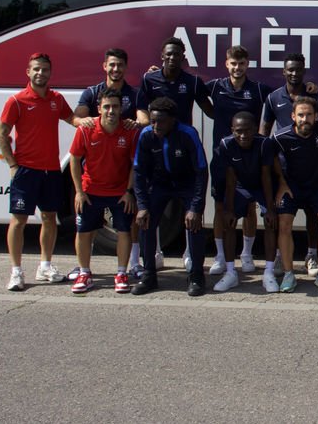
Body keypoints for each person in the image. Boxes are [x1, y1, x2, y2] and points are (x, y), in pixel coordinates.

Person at [0, 52, 79, 291]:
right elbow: (1, 134)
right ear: (28, 72)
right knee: (19, 220)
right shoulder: (16, 101)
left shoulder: (56, 98)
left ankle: (45, 266)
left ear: (50, 73)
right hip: (25, 172)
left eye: (44, 70)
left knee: (49, 218)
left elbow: (72, 118)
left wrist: (94, 121)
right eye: (36, 69)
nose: (40, 73)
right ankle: (16, 272)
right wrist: (13, 165)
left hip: (51, 170)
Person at [135, 37, 214, 272]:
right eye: (168, 54)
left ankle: (191, 260)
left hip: (183, 151)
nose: (172, 58)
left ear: (183, 57)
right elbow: (141, 108)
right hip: (158, 155)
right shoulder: (149, 79)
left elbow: (209, 108)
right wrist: (149, 127)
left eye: (177, 54)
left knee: (192, 214)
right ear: (162, 55)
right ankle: (153, 260)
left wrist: (231, 119)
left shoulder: (191, 81)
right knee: (150, 213)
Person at [205, 45, 273, 278]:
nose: (237, 67)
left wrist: (310, 88)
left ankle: (246, 254)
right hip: (222, 158)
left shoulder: (257, 89)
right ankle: (221, 256)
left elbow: (281, 99)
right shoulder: (215, 86)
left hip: (250, 158)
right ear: (226, 64)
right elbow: (192, 95)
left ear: (248, 64)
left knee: (250, 206)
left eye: (241, 63)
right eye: (233, 63)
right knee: (221, 206)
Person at [130, 97, 209, 296]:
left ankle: (197, 276)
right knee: (145, 222)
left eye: (161, 121)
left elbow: (201, 171)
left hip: (186, 184)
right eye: (153, 121)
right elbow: (138, 172)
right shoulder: (146, 135)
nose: (156, 126)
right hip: (160, 184)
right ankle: (149, 275)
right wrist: (142, 205)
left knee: (194, 224)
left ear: (173, 120)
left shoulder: (188, 134)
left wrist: (195, 207)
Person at [72, 47, 139, 281]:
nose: (116, 69)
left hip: (119, 186)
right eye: (112, 64)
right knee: (85, 228)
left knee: (125, 229)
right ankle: (83, 270)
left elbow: (143, 119)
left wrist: (135, 124)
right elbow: (75, 117)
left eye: (120, 65)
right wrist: (85, 122)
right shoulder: (92, 93)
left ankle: (123, 271)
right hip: (92, 184)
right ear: (105, 66)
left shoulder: (133, 95)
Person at [259, 52, 318, 277]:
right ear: (284, 72)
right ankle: (280, 255)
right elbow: (265, 131)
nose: (294, 73)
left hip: (310, 167)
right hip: (283, 170)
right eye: (290, 70)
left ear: (304, 70)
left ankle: (311, 254)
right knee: (282, 216)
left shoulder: (315, 96)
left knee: (312, 215)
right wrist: (265, 165)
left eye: (298, 69)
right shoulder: (273, 97)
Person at [270, 96, 318, 292]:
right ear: (293, 116)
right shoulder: (280, 137)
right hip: (291, 186)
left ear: (316, 116)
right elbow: (271, 157)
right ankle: (289, 273)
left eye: (309, 115)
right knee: (284, 226)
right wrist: (281, 183)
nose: (304, 119)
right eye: (300, 115)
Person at [212, 112, 278, 293]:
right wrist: (229, 209)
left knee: (271, 222)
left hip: (260, 185)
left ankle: (269, 272)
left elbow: (266, 177)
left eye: (247, 131)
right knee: (229, 221)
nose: (243, 135)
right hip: (240, 186)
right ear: (232, 130)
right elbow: (231, 179)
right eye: (238, 131)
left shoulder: (264, 143)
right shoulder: (226, 144)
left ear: (255, 129)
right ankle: (231, 272)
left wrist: (270, 209)